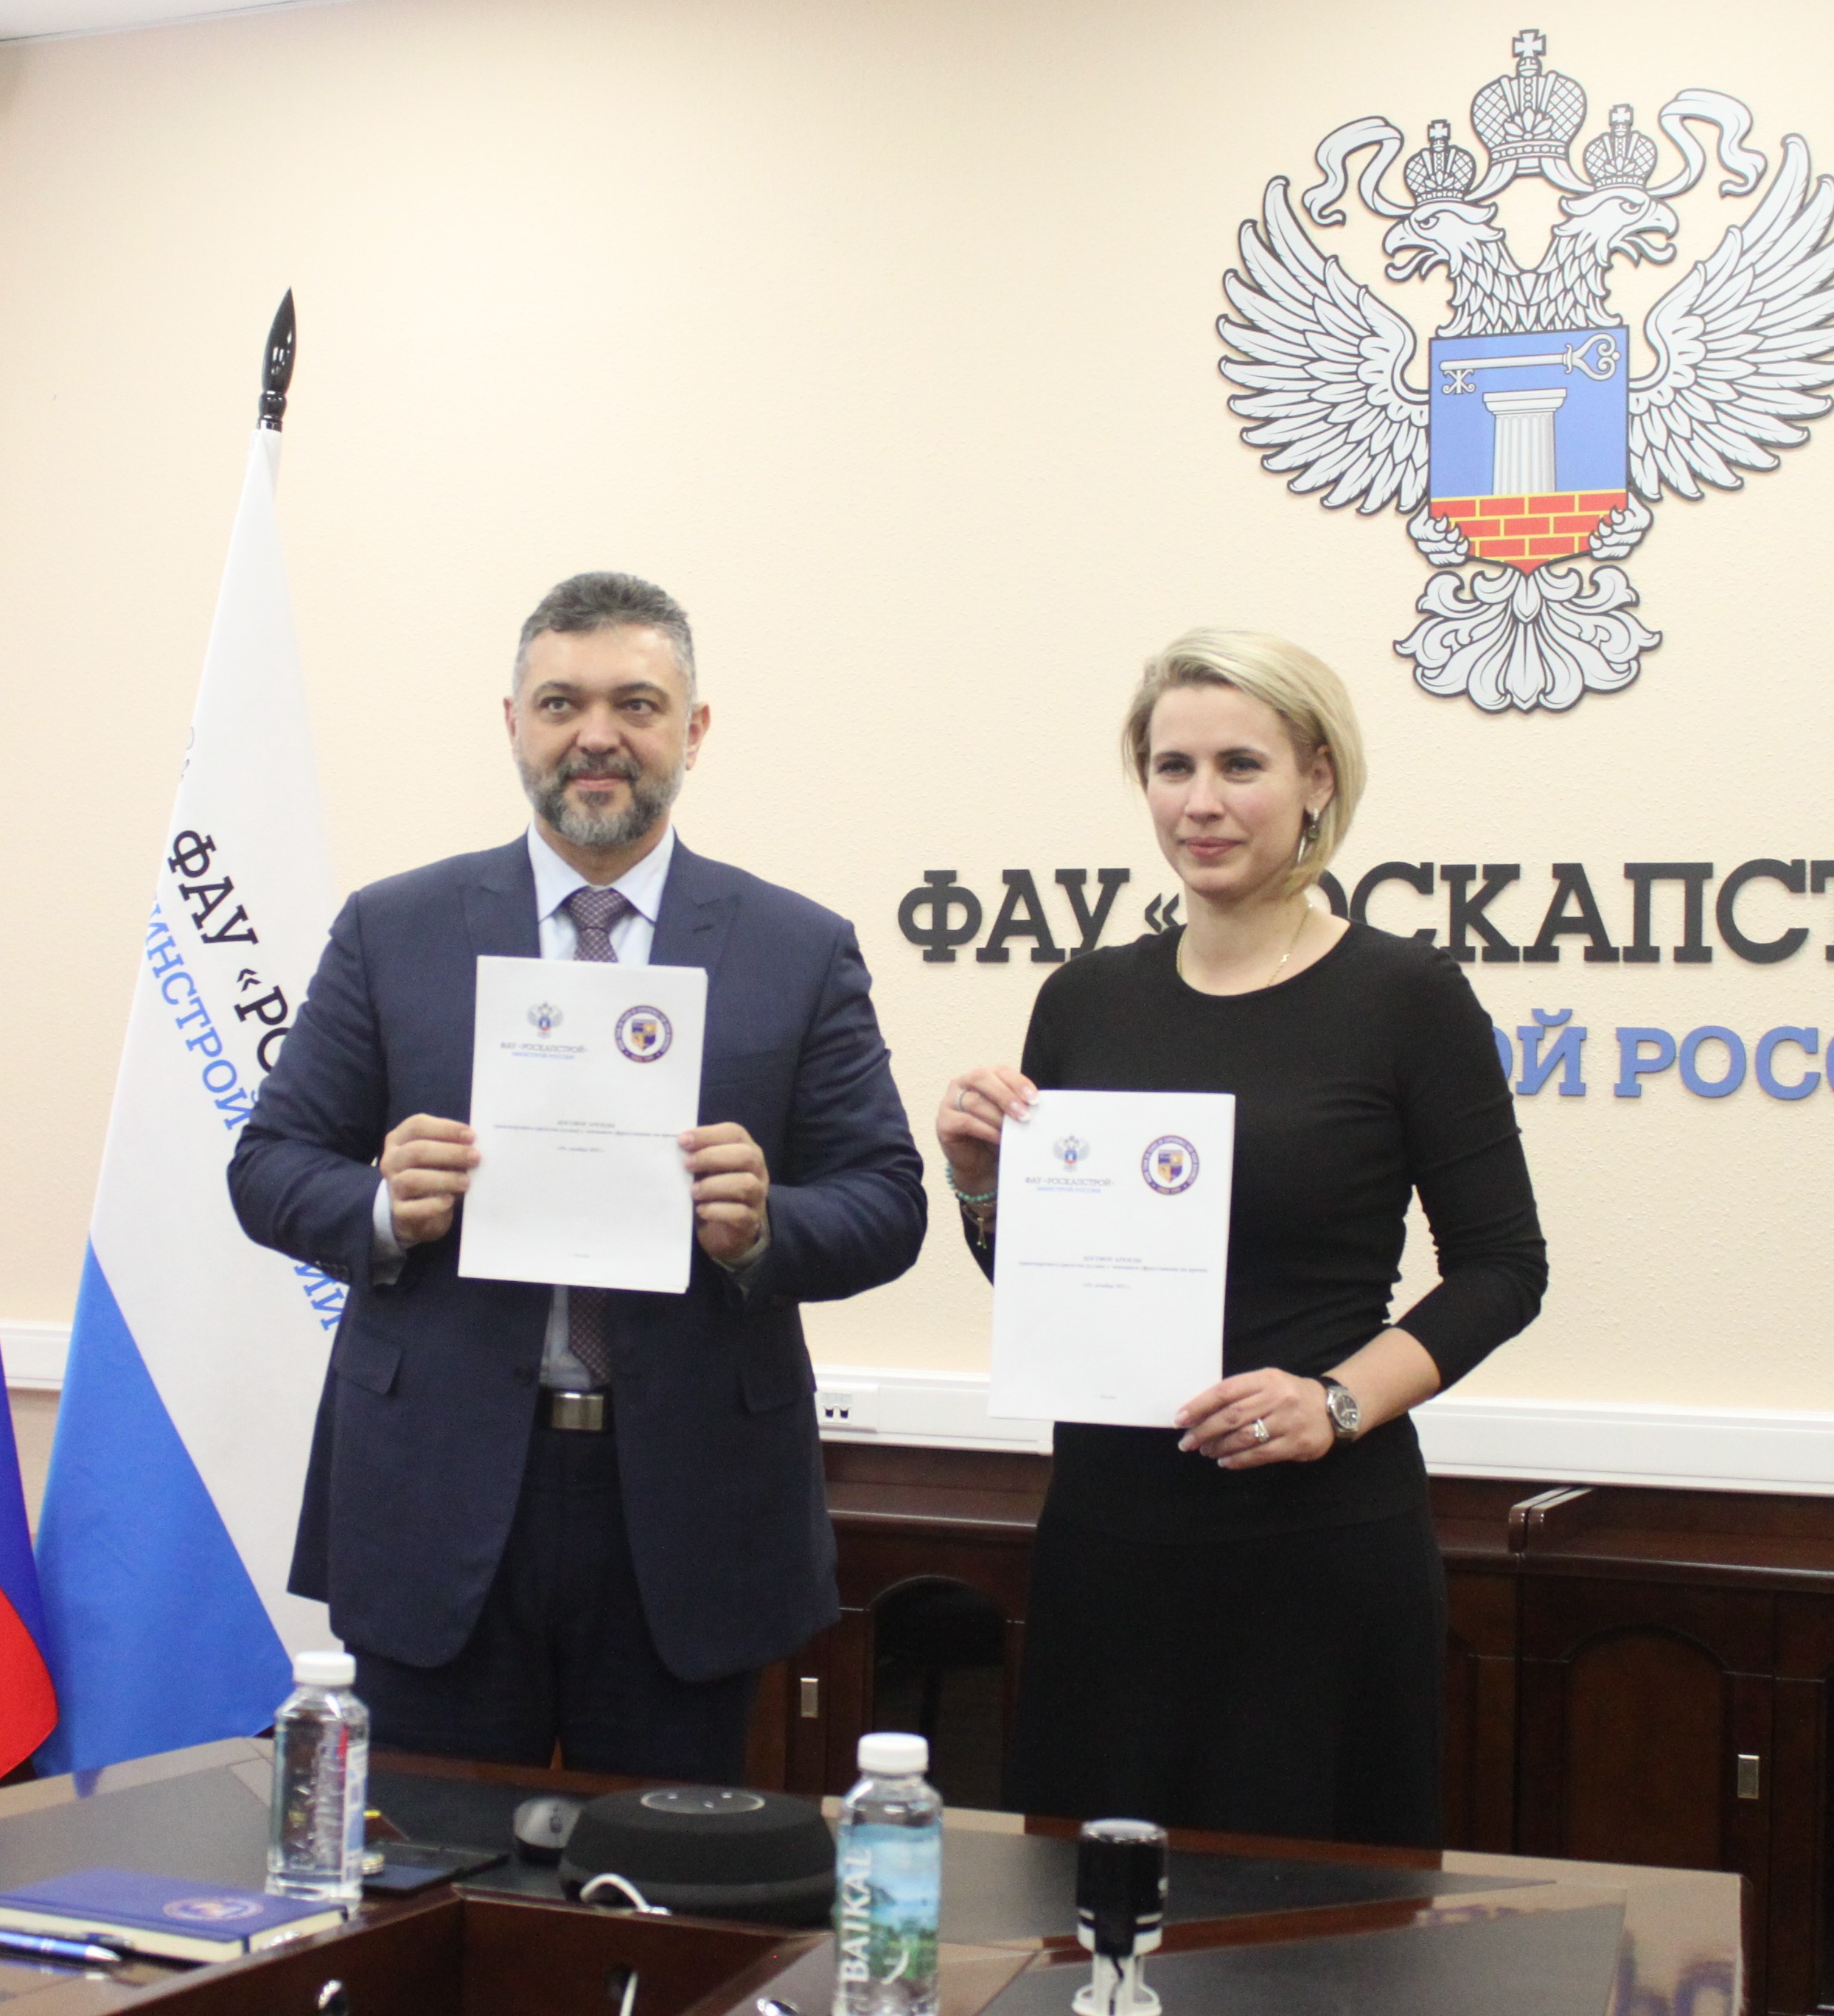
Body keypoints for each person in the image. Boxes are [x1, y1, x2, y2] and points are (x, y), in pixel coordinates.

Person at [230, 571, 926, 1783]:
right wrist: (384, 1205)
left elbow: (886, 1203)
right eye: (560, 703)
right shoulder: (393, 929)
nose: (595, 735)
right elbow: (269, 1168)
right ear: (513, 724)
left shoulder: (796, 948)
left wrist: (764, 1226)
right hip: (435, 1494)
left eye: (634, 704)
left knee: (658, 1875)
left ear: (692, 730)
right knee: (423, 1864)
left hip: (690, 1509)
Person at [936, 629, 1545, 1846]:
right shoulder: (1085, 999)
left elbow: (1503, 1268)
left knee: (1316, 1924)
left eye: (1239, 766)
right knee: (1085, 1913)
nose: (1200, 803)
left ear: (1317, 778)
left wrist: (1336, 1402)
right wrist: (978, 1185)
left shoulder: (1404, 996)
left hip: (1317, 1550)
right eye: (1172, 768)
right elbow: (1047, 1281)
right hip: (1108, 1543)